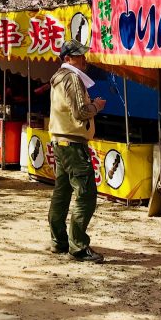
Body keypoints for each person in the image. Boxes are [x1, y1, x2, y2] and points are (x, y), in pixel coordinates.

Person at [47, 39, 107, 263]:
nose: (83, 59)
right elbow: (81, 112)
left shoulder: (60, 78)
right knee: (86, 194)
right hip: (72, 143)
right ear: (67, 59)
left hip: (61, 141)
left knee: (62, 193)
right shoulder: (71, 78)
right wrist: (97, 107)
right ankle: (79, 246)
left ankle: (59, 240)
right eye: (79, 56)